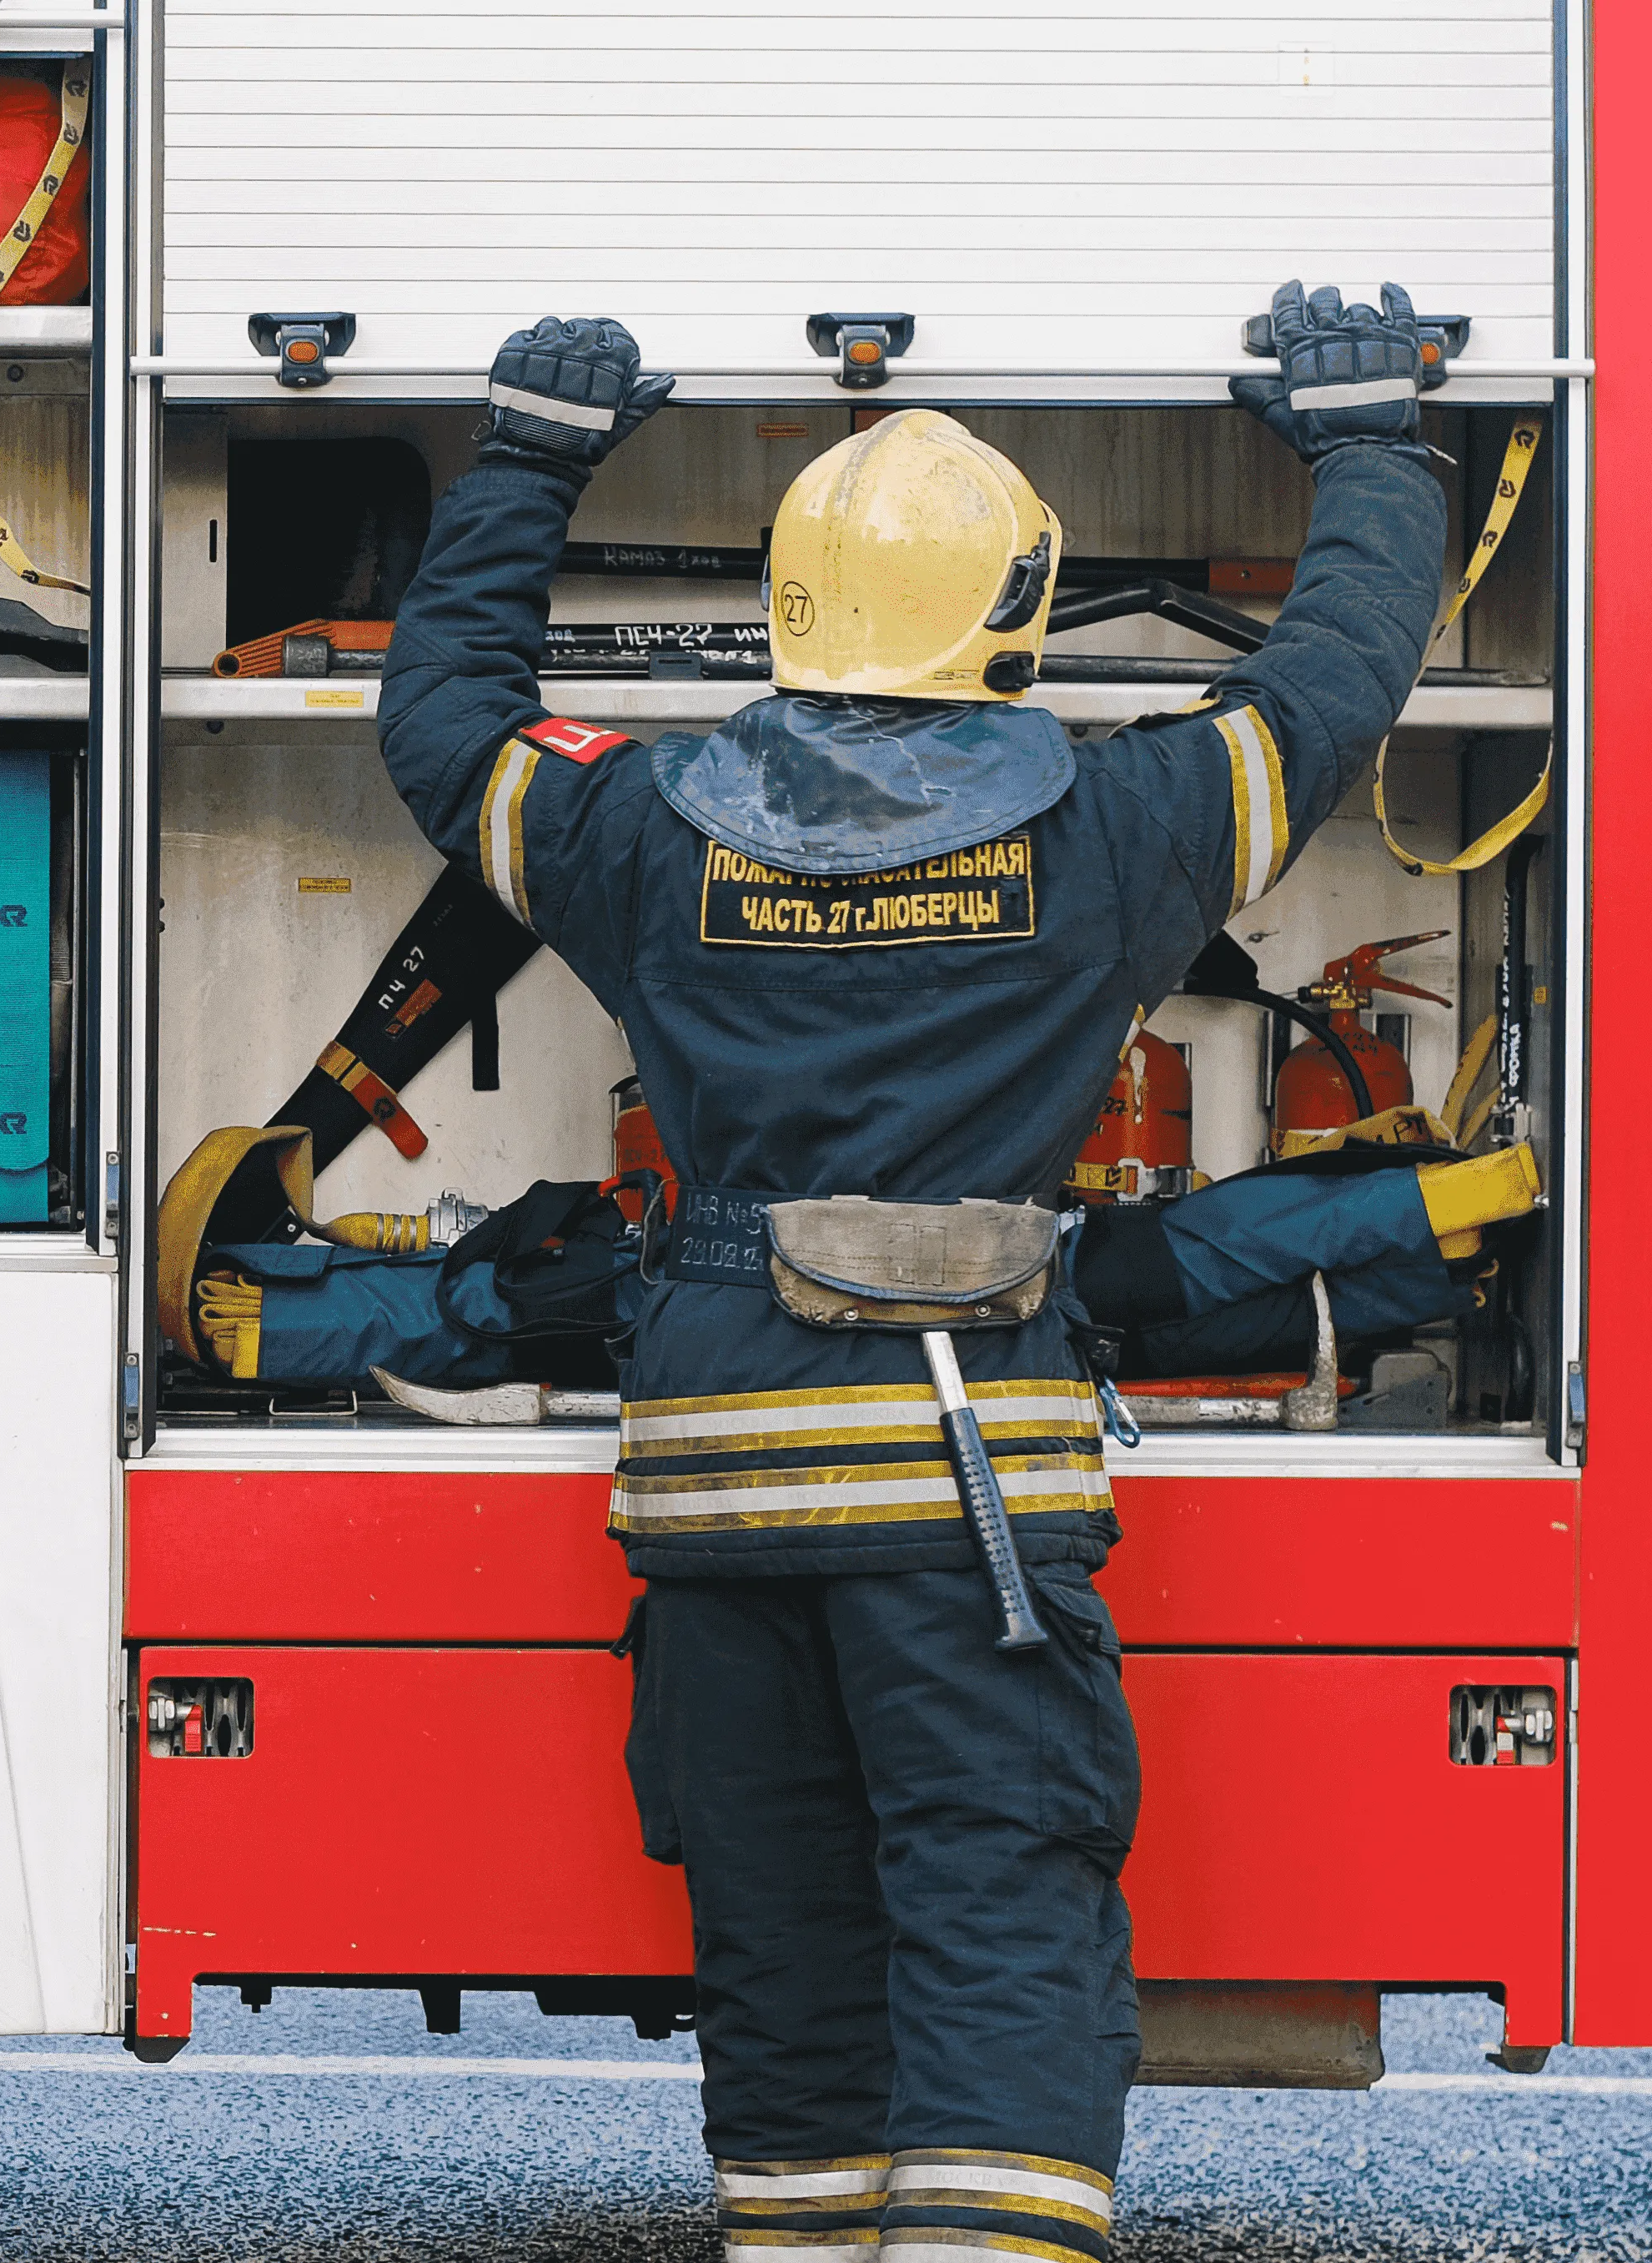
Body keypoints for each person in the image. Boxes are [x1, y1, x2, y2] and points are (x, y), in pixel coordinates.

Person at [372, 284, 1456, 2260]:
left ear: (785, 607)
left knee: (779, 1930)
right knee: (995, 1899)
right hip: (959, 1498)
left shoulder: (636, 833)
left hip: (711, 1489)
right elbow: (1329, 684)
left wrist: (526, 456)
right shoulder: (1119, 831)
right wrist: (1373, 449)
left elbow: (442, 716)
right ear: (1014, 613)